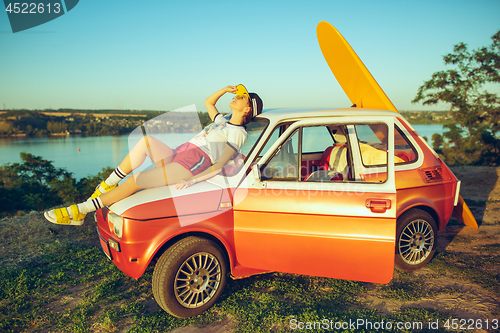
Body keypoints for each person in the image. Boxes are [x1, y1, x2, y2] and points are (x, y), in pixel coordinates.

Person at [44, 84, 263, 225]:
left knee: (137, 180)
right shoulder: (222, 120)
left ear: (247, 109)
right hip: (181, 153)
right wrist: (225, 90)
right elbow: (208, 102)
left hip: (193, 164)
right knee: (145, 142)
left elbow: (218, 165)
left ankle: (80, 211)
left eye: (242, 97)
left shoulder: (238, 134)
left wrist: (191, 179)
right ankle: (106, 186)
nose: (237, 96)